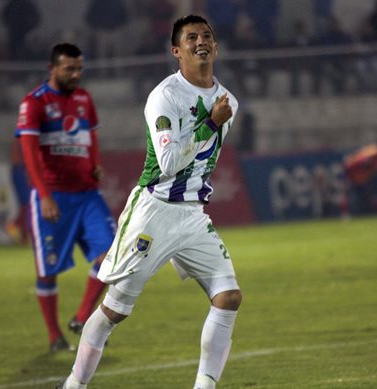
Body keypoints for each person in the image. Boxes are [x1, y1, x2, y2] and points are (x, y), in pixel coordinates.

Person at [58, 15, 242, 389]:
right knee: (113, 310)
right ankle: (73, 385)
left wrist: (214, 122)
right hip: (154, 211)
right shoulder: (166, 96)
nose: (201, 41)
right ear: (177, 51)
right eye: (191, 38)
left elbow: (203, 162)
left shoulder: (228, 102)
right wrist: (210, 123)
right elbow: (170, 162)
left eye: (207, 35)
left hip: (193, 215)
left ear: (216, 47)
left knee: (228, 297)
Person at [15, 43, 117, 352]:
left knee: (112, 257)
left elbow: (91, 135)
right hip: (54, 198)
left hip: (87, 195)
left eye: (79, 68)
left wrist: (94, 164)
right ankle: (53, 336)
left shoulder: (85, 99)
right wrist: (43, 195)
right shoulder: (34, 103)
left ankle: (83, 316)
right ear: (53, 69)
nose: (76, 74)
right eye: (69, 69)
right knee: (47, 271)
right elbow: (28, 155)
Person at [343, 140, 377, 214]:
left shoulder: (376, 153)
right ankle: (346, 213)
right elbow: (360, 164)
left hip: (359, 178)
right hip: (353, 176)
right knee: (352, 197)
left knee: (369, 197)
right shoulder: (373, 155)